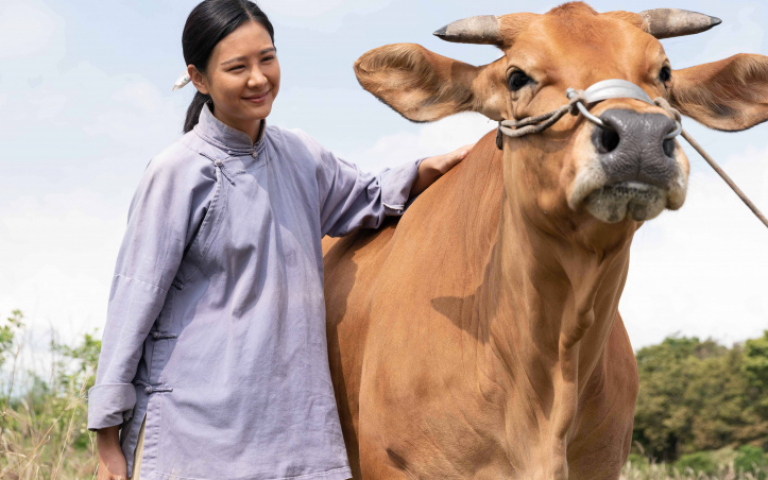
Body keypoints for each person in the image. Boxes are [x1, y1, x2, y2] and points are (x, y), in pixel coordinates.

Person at [87, 1, 472, 479]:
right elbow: (134, 299)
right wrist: (108, 437)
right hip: (200, 438)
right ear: (199, 78)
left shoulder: (300, 155)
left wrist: (432, 167)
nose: (258, 78)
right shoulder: (177, 172)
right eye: (237, 67)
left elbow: (369, 196)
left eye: (267, 59)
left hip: (299, 434)